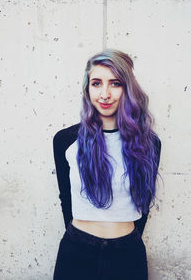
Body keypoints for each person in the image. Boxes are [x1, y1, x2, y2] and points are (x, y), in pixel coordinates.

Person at [52, 49, 161, 280]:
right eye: (96, 83)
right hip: (76, 253)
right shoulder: (65, 140)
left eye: (115, 83)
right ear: (87, 88)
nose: (105, 94)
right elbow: (66, 199)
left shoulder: (149, 143)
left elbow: (144, 203)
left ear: (128, 88)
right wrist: (79, 239)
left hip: (127, 255)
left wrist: (126, 239)